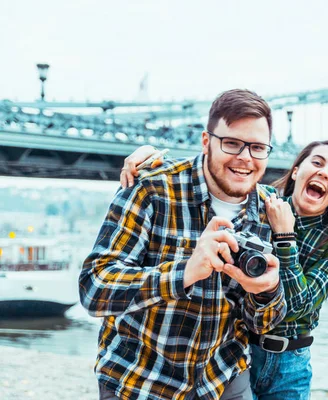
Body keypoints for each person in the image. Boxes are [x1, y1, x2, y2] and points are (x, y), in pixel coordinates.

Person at [123, 139, 328, 399]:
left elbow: (294, 307)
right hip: (236, 356)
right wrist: (153, 160)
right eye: (317, 163)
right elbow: (218, 176)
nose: (323, 172)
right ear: (296, 171)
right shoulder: (259, 205)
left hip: (289, 367)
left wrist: (285, 236)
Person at [79, 89, 287, 400]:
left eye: (258, 147)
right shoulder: (150, 189)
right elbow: (94, 289)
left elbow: (262, 323)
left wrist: (267, 292)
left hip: (222, 379)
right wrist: (185, 272)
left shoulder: (270, 209)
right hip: (141, 380)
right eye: (232, 143)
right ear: (206, 141)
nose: (245, 158)